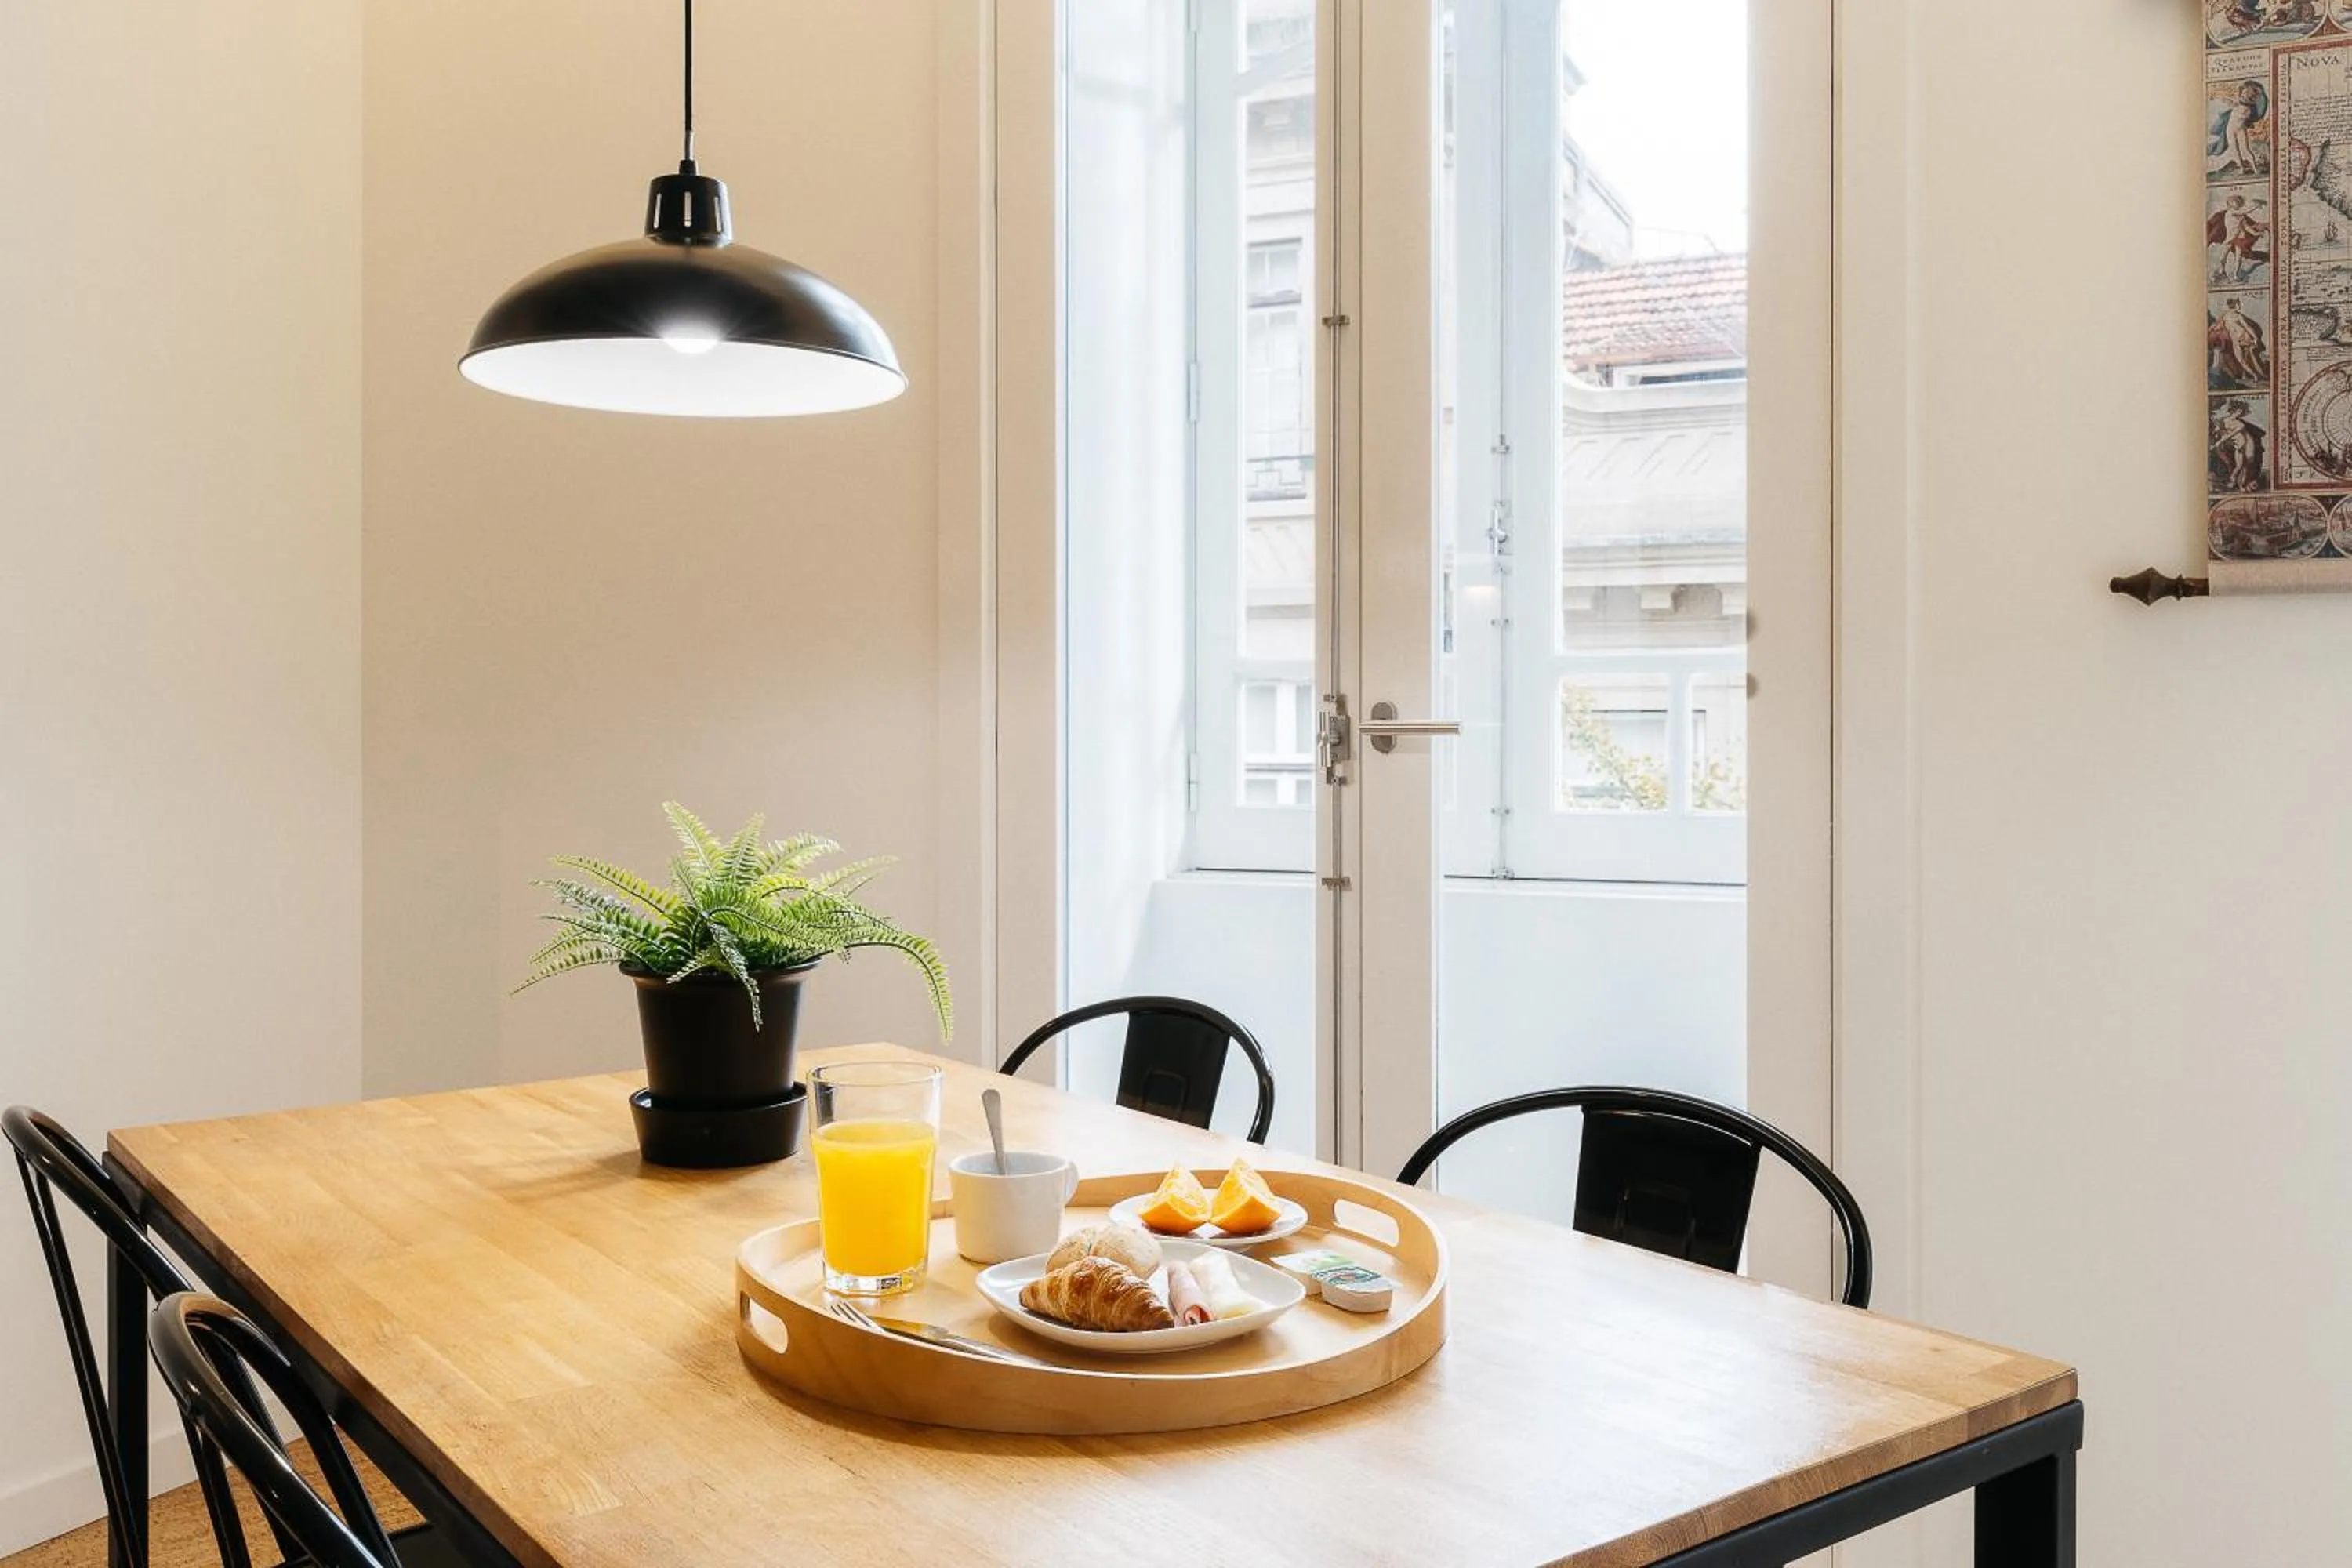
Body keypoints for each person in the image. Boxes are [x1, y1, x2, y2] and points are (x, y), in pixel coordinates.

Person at [2209, 194, 2272, 283]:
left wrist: (2256, 233)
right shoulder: (2230, 213)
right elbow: (2243, 212)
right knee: (2223, 257)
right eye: (2234, 201)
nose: (2236, 203)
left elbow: (2247, 227)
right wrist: (2255, 205)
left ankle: (2235, 275)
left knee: (2238, 258)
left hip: (2239, 239)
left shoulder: (2241, 217)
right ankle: (2222, 271)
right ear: (2229, 204)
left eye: (2237, 202)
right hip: (2230, 238)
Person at [2210, 296, 2271, 387]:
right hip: (2237, 339)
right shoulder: (2227, 316)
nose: (2239, 306)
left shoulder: (2234, 316)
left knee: (2247, 358)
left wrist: (2255, 338)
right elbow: (2219, 326)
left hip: (2244, 338)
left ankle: (2257, 375)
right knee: (2241, 359)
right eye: (2238, 304)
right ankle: (2255, 375)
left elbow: (2247, 327)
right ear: (2234, 305)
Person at [2211, 400, 2268, 493]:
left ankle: (2241, 485)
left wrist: (2220, 441)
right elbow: (2221, 430)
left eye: (2241, 412)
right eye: (2238, 411)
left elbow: (2230, 435)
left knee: (2246, 466)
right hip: (2239, 447)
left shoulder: (2240, 424)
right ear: (2233, 410)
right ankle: (2232, 479)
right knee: (2239, 466)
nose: (2239, 414)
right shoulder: (2225, 420)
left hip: (2245, 445)